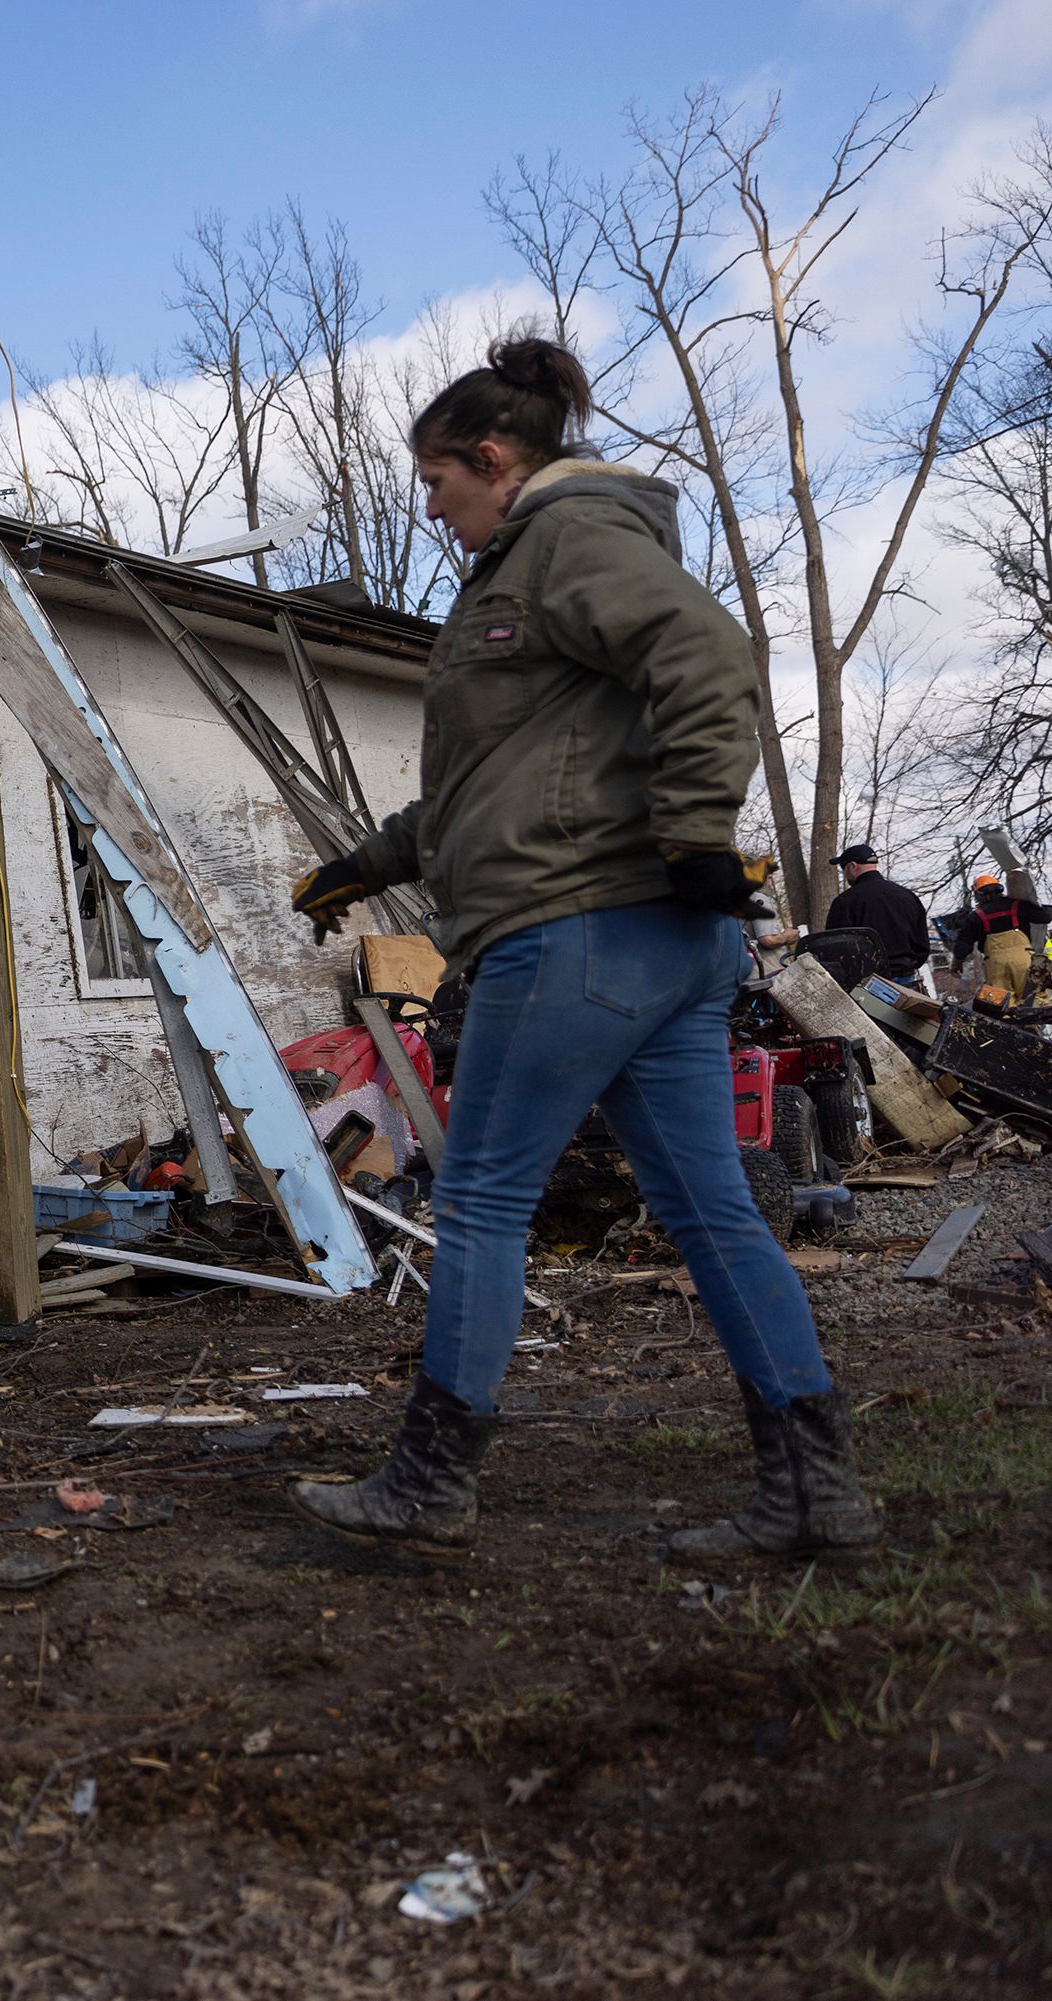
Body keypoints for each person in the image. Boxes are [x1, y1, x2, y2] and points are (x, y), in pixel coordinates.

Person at [286, 335, 877, 1564]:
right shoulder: (541, 562)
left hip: (576, 934)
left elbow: (709, 656)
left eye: (440, 486)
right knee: (713, 1212)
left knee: (486, 1199)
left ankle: (429, 1484)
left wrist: (700, 832)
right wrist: (370, 863)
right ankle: (816, 1492)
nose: (437, 514)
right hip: (653, 947)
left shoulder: (565, 540)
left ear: (495, 460)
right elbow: (511, 779)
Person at [815, 844, 932, 984]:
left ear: (852, 866)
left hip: (866, 983)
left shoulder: (845, 902)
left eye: (843, 868)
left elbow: (834, 949)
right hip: (907, 979)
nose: (844, 874)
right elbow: (922, 944)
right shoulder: (908, 896)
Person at [940, 874, 1046, 999]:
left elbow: (964, 943)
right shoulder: (1018, 906)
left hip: (995, 965)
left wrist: (956, 964)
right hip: (1024, 960)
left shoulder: (976, 916)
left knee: (1000, 1004)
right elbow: (1044, 917)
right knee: (1036, 999)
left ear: (978, 895)